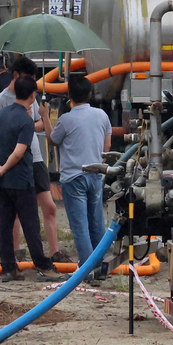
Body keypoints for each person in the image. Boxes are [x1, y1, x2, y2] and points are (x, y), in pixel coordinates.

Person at [0, 55, 63, 260]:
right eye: (28, 77)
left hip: (35, 157)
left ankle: (55, 253)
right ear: (16, 75)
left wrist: (28, 125)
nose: (32, 82)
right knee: (13, 212)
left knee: (48, 206)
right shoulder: (1, 101)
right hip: (12, 161)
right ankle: (16, 252)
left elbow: (39, 124)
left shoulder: (32, 96)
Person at [51, 74, 113, 276]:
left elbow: (53, 139)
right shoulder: (102, 115)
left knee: (80, 225)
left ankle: (87, 270)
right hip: (96, 174)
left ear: (69, 95)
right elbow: (108, 146)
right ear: (91, 94)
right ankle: (101, 266)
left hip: (73, 177)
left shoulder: (66, 119)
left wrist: (44, 115)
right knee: (96, 222)